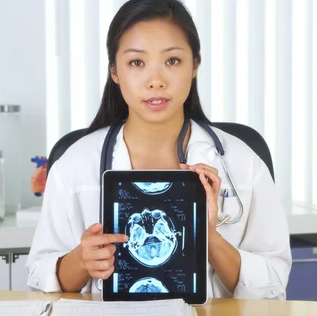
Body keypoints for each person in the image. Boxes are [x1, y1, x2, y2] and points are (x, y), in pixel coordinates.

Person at [26, 0, 291, 299]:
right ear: (114, 71)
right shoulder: (74, 166)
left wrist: (210, 238)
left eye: (173, 61)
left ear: (195, 65)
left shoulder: (243, 164)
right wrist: (82, 260)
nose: (156, 81)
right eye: (136, 62)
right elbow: (38, 280)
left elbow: (273, 287)